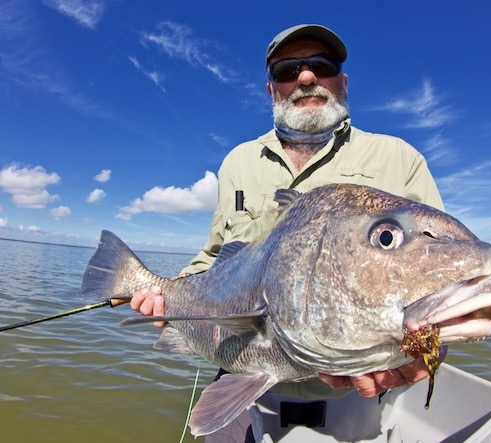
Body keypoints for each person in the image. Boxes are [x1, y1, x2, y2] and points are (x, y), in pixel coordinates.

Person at [131, 24, 445, 442]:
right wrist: (164, 293)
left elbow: (437, 267)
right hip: (240, 375)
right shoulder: (238, 162)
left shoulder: (399, 158)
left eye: (322, 65)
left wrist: (431, 341)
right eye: (287, 69)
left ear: (343, 80)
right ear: (271, 89)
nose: (306, 77)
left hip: (351, 394)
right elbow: (216, 257)